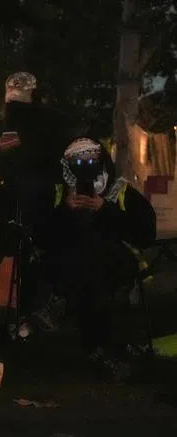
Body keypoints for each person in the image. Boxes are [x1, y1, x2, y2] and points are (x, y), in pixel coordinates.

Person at [0, 72, 68, 335]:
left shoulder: (47, 126)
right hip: (6, 201)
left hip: (33, 201)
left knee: (28, 257)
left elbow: (56, 163)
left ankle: (24, 315)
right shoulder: (2, 127)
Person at [40, 138, 155, 376]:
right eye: (78, 161)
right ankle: (99, 349)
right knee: (90, 272)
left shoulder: (120, 191)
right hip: (72, 266)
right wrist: (65, 212)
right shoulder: (58, 192)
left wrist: (105, 209)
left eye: (91, 160)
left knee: (94, 259)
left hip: (115, 262)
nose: (85, 166)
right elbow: (42, 237)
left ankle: (62, 307)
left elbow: (144, 234)